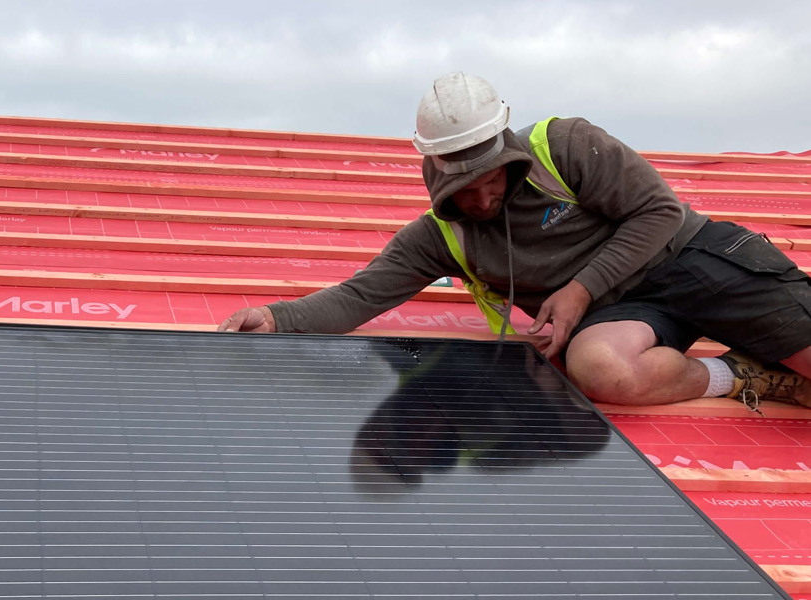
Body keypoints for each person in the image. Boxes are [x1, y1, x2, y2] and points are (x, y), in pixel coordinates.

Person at [219, 72, 811, 411]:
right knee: (599, 369)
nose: (477, 201)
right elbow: (358, 296)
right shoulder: (439, 237)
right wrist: (274, 318)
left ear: (507, 156)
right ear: (432, 170)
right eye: (459, 188)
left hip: (693, 259)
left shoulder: (567, 145)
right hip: (630, 314)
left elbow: (657, 212)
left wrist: (578, 290)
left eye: (487, 182)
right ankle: (743, 375)